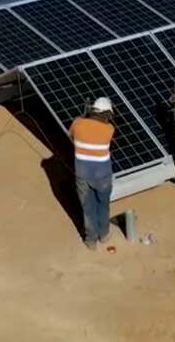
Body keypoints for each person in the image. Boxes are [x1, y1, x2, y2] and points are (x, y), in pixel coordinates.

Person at [70, 97, 115, 249]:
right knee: (103, 204)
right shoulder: (110, 129)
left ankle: (91, 241)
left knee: (87, 208)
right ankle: (104, 234)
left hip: (82, 175)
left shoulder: (77, 124)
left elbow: (72, 136)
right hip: (102, 176)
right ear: (107, 114)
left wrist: (83, 118)